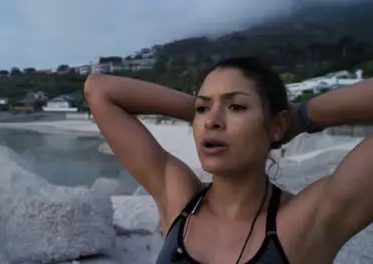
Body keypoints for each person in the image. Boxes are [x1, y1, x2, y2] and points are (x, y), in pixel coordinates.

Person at [84, 57, 373, 264]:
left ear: (277, 126)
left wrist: (303, 116)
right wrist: (209, 112)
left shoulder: (309, 220)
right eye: (203, 108)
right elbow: (98, 89)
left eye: (236, 106)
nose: (211, 122)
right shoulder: (181, 201)